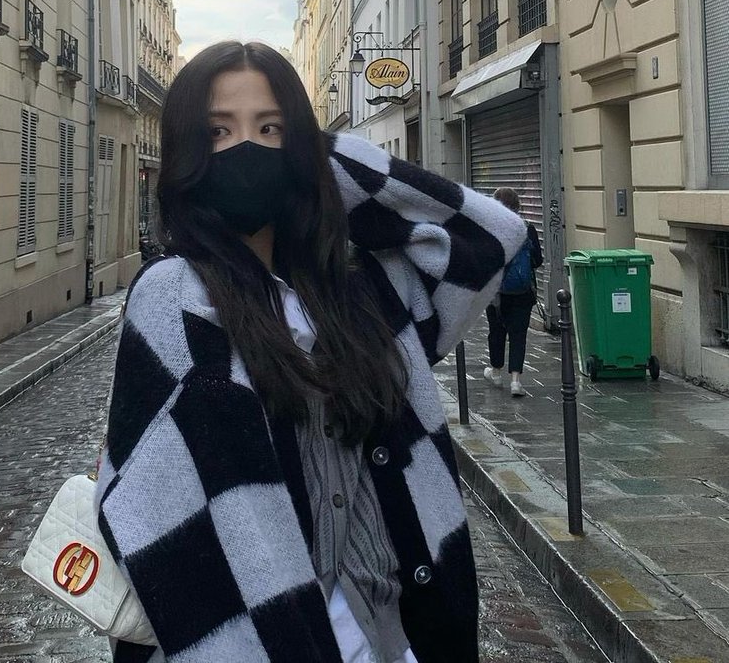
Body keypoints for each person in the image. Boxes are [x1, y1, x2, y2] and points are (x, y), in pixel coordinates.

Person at [96, 42, 526, 663]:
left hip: (396, 641)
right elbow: (146, 514)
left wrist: (319, 161)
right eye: (218, 132)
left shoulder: (361, 293)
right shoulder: (175, 298)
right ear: (190, 152)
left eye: (270, 128)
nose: (246, 149)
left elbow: (490, 236)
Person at [482, 187, 543, 398]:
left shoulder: (489, 229)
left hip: (496, 292)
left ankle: (496, 372)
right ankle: (516, 380)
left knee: (496, 332)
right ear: (517, 205)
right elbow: (537, 260)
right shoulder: (527, 228)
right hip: (522, 292)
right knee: (519, 335)